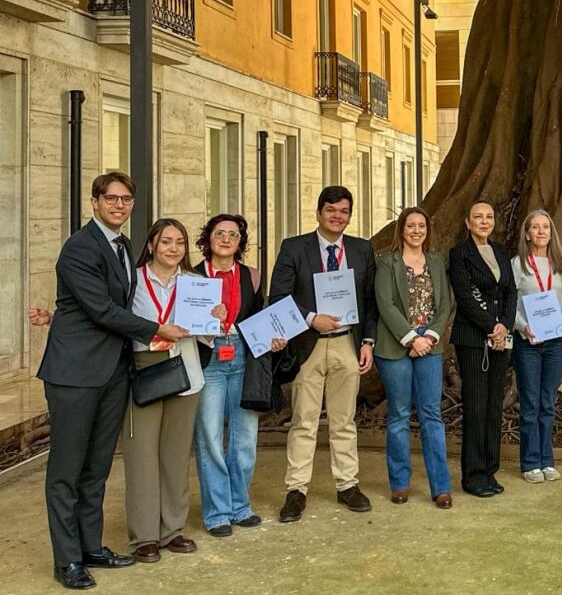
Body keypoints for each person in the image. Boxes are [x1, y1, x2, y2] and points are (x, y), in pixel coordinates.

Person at [33, 172, 187, 589]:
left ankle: (90, 548)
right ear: (95, 202)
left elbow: (112, 302)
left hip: (113, 371)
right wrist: (156, 329)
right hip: (75, 373)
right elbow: (100, 308)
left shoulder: (122, 245)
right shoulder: (79, 247)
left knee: (97, 467)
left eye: (126, 199)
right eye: (111, 198)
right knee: (66, 470)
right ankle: (67, 561)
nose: (120, 205)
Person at [270, 186, 378, 522]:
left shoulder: (362, 249)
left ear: (350, 215)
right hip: (308, 344)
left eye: (344, 211)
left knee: (344, 419)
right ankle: (296, 490)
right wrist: (310, 318)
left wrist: (368, 342)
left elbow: (370, 300)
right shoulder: (294, 248)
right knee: (304, 420)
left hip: (347, 343)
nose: (337, 216)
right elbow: (278, 296)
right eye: (330, 210)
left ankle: (347, 484)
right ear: (318, 213)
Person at [123, 218, 216, 563]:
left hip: (184, 369)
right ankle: (145, 536)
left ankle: (172, 530)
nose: (173, 248)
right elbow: (114, 320)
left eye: (179, 242)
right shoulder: (131, 281)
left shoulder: (195, 283)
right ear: (151, 245)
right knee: (141, 455)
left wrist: (215, 318)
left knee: (175, 456)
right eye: (166, 242)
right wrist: (157, 329)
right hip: (144, 369)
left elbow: (206, 333)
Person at [192, 214, 287, 537]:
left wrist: (274, 337)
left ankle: (240, 505)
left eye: (233, 235)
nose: (226, 239)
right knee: (210, 437)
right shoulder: (192, 277)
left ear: (240, 242)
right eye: (220, 233)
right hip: (209, 357)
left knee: (245, 438)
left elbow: (259, 317)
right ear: (208, 238)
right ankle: (217, 512)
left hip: (244, 357)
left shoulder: (252, 276)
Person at [376, 207, 454, 509]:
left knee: (431, 415)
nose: (416, 231)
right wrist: (411, 338)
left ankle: (441, 487)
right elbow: (385, 304)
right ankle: (399, 483)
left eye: (422, 225)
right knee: (398, 415)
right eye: (411, 225)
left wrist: (429, 338)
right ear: (402, 229)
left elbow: (444, 303)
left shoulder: (435, 261)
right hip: (396, 345)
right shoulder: (387, 262)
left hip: (429, 345)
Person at [448, 200, 517, 497]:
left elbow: (511, 292)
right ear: (468, 222)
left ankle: (490, 470)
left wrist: (505, 326)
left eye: (489, 216)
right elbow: (465, 297)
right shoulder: (459, 254)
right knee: (476, 406)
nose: (484, 221)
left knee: (492, 407)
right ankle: (473, 475)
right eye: (478, 216)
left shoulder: (501, 251)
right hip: (473, 340)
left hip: (500, 339)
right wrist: (492, 327)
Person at [511, 209, 562, 483]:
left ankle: (547, 460)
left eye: (545, 227)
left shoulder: (560, 264)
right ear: (527, 234)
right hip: (528, 342)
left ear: (551, 233)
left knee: (547, 402)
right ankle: (530, 462)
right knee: (530, 403)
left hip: (555, 343)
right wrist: (522, 326)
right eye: (535, 227)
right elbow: (510, 304)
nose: (541, 232)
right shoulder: (518, 264)